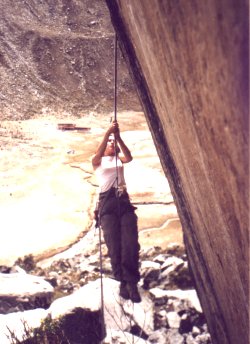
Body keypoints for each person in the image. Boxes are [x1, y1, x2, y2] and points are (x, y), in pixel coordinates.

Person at [92, 120, 141, 303]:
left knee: (130, 242)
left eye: (112, 144)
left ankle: (132, 282)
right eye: (109, 144)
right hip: (107, 203)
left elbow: (129, 157)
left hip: (123, 200)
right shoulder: (97, 161)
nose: (111, 145)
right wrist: (108, 133)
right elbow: (99, 150)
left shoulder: (119, 160)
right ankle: (122, 282)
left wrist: (118, 137)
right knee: (114, 244)